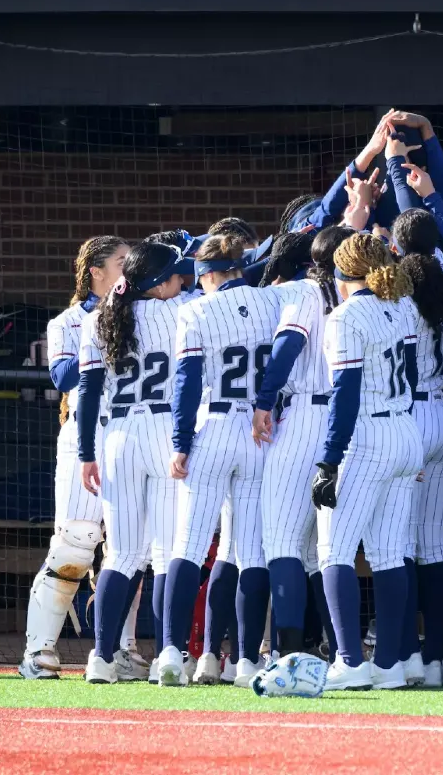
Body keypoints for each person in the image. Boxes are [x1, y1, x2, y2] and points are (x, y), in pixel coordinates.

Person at [153, 235, 283, 688]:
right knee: (251, 550)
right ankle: (247, 662)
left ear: (208, 272)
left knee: (188, 544)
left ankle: (171, 651)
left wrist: (180, 443)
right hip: (260, 432)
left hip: (214, 428)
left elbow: (187, 384)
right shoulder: (272, 303)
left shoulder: (195, 309)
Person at [310, 233, 424, 691]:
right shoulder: (404, 306)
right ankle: (391, 664)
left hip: (367, 434)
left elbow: (346, 393)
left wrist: (329, 459)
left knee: (334, 552)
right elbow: (411, 377)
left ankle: (350, 661)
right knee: (388, 554)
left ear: (341, 275)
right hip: (404, 427)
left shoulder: (345, 315)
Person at [75, 241, 190, 684]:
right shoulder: (182, 310)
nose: (178, 282)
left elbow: (86, 393)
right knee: (165, 553)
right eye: (172, 276)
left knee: (122, 554)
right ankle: (167, 655)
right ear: (156, 282)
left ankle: (101, 658)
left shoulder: (100, 316)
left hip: (118, 436)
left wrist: (86, 453)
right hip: (165, 434)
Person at [20, 235, 133, 680]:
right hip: (83, 439)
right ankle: (39, 651)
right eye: (122, 262)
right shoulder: (68, 321)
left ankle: (121, 650)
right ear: (96, 273)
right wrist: (103, 330)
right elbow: (64, 374)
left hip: (130, 433)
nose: (130, 268)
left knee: (128, 549)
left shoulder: (140, 314)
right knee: (75, 543)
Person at [245, 230, 342, 668]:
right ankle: (342, 651)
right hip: (349, 421)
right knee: (324, 548)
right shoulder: (367, 294)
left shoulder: (306, 291)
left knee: (283, 541)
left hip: (305, 415)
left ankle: (287, 652)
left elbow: (287, 347)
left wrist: (264, 401)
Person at [391, 210, 443, 686]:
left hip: (411, 420)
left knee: (399, 546)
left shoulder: (398, 296)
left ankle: (408, 658)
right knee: (435, 546)